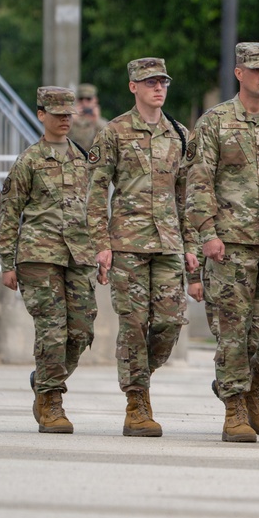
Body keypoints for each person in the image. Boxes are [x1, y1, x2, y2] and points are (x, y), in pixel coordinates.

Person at [185, 42, 259, 443]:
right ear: (239, 74)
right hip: (230, 241)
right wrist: (207, 234)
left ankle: (255, 385)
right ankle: (235, 407)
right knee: (233, 328)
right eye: (256, 70)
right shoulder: (214, 122)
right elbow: (198, 181)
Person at [87, 58, 196, 438]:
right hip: (127, 244)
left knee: (168, 322)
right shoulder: (114, 132)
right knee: (133, 325)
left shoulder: (180, 134)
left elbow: (186, 196)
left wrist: (190, 244)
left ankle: (139, 373)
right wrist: (101, 244)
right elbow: (96, 191)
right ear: (133, 86)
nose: (158, 88)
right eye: (150, 82)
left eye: (162, 81)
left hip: (168, 244)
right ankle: (137, 401)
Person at [0, 87, 97, 435]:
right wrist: (7, 263)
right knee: (52, 331)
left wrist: (101, 249)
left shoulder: (83, 159)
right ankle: (51, 401)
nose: (65, 119)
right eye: (57, 114)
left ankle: (44, 380)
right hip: (39, 256)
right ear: (41, 115)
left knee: (81, 331)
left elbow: (95, 209)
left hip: (78, 255)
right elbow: (10, 214)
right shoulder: (30, 161)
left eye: (69, 114)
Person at [68, 84, 108, 149]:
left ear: (95, 100)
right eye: (81, 99)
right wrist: (70, 121)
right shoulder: (70, 120)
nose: (84, 102)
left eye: (88, 99)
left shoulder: (101, 123)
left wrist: (96, 121)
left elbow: (108, 141)